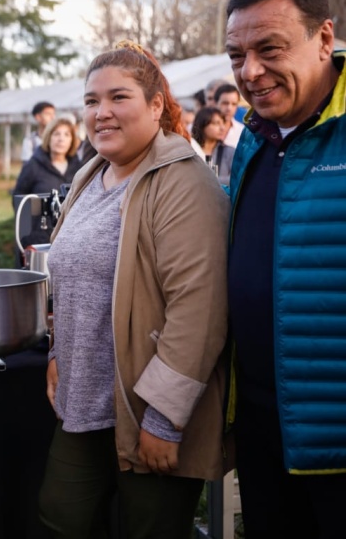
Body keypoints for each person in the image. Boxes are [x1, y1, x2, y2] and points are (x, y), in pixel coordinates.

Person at [38, 41, 230, 539]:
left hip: (145, 410)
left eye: (118, 98)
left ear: (156, 105)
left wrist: (164, 420)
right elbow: (72, 275)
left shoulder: (183, 183)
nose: (101, 113)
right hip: (83, 402)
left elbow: (200, 310)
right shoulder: (92, 174)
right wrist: (59, 351)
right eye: (91, 101)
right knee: (60, 519)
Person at [224, 0, 346, 538]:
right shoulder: (253, 138)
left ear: (325, 38)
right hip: (262, 427)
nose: (250, 72)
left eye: (269, 49)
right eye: (236, 55)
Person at [12, 116, 83, 247]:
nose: (61, 139)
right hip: (39, 241)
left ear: (72, 140)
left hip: (70, 240)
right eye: (56, 134)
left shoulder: (80, 169)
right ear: (48, 137)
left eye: (66, 134)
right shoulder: (33, 166)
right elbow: (18, 199)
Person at [190, 106, 234, 185]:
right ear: (202, 125)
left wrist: (208, 181)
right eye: (216, 123)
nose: (222, 128)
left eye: (223, 122)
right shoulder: (190, 150)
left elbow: (236, 179)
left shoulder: (230, 152)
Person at [213, 83, 244, 148]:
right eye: (225, 103)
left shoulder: (242, 131)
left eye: (234, 104)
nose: (229, 108)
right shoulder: (201, 129)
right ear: (215, 103)